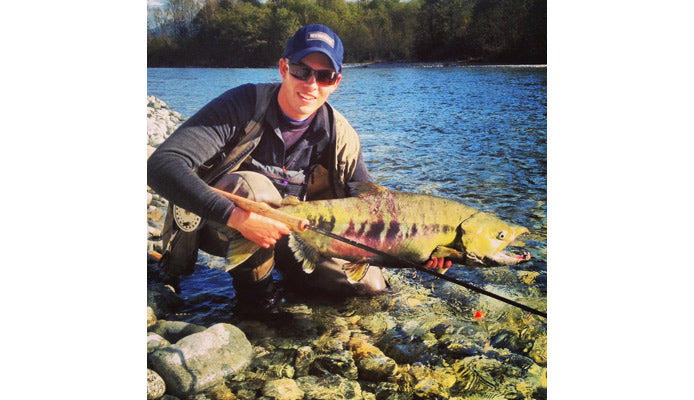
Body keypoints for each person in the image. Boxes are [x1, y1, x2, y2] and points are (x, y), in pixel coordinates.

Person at [147, 24, 451, 312]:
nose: (311, 84)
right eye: (301, 71)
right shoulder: (241, 106)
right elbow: (161, 165)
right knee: (254, 187)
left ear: (336, 82)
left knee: (370, 284)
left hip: (300, 239)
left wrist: (417, 251)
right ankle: (256, 299)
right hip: (221, 228)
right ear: (283, 69)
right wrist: (237, 217)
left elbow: (373, 213)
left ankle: (294, 283)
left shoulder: (339, 135)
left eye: (324, 76)